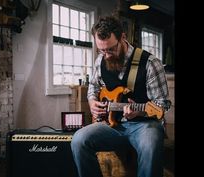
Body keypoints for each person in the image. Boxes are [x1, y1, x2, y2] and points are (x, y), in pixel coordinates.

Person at [71, 15, 171, 177]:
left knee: (151, 145)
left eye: (111, 49)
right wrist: (92, 102)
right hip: (112, 125)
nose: (106, 55)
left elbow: (163, 104)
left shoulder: (150, 63)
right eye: (101, 50)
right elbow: (93, 88)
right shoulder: (100, 60)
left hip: (144, 125)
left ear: (122, 37)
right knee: (79, 140)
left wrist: (139, 112)